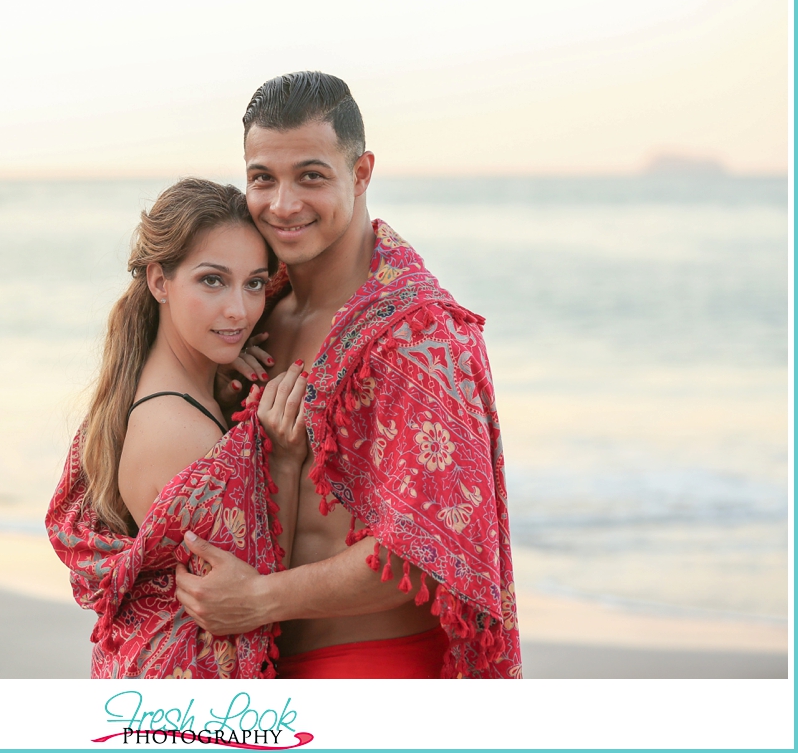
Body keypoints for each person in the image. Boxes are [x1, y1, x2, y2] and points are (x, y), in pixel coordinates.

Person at [171, 73, 521, 679]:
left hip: (377, 669)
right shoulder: (251, 318)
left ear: (360, 175)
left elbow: (428, 553)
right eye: (263, 178)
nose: (282, 205)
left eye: (310, 175)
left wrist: (257, 601)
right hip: (263, 670)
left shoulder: (421, 336)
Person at [45, 178, 310, 677]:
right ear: (159, 281)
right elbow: (248, 597)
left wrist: (225, 383)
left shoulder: (173, 394)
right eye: (213, 280)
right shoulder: (177, 431)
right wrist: (287, 460)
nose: (239, 309)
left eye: (254, 282)